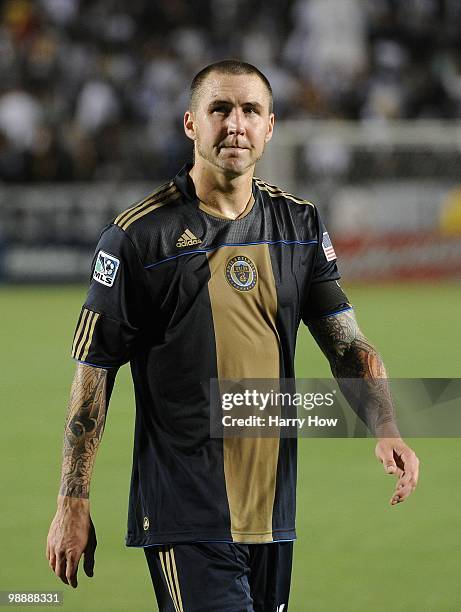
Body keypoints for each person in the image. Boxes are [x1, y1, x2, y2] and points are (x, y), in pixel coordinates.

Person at [46, 60, 419, 611]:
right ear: (191, 123)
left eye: (250, 110)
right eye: (219, 109)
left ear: (270, 127)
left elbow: (348, 345)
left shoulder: (300, 226)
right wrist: (72, 499)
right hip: (185, 512)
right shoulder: (137, 238)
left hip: (273, 512)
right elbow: (94, 373)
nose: (235, 124)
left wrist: (386, 424)